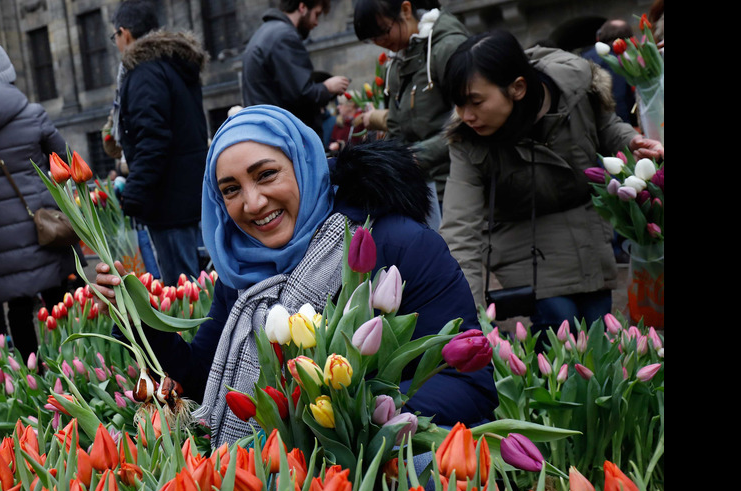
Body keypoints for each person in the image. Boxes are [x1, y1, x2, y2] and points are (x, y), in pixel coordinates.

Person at [96, 105, 497, 446]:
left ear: (304, 164)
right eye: (231, 189)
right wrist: (140, 320)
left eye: (266, 174)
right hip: (277, 480)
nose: (252, 203)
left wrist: (349, 414)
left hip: (385, 470)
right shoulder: (241, 272)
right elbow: (208, 383)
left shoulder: (394, 244)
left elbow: (469, 385)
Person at [439, 30, 664, 336]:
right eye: (459, 105)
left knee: (597, 330)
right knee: (562, 325)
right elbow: (459, 228)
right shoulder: (468, 140)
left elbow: (604, 126)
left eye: (475, 102)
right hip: (520, 240)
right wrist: (468, 317)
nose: (465, 115)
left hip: (586, 226)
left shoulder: (575, 87)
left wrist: (632, 141)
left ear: (517, 87)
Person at [0, 41, 70, 359]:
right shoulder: (32, 113)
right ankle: (70, 367)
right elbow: (63, 158)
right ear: (7, 72)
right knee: (57, 299)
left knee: (17, 305)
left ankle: (31, 375)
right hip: (41, 220)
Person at [110, 0, 208, 282]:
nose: (116, 43)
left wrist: (135, 194)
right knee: (194, 284)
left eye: (115, 36)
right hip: (185, 194)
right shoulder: (171, 63)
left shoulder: (145, 71)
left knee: (182, 291)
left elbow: (153, 139)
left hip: (168, 201)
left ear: (124, 32)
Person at [353, 0, 469, 230]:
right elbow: (397, 126)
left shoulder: (447, 47)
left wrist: (418, 155)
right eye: (372, 39)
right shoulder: (396, 62)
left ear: (405, 10)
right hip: (421, 187)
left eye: (383, 32)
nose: (380, 43)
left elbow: (470, 121)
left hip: (455, 181)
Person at [242, 0, 350, 136]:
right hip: (285, 136)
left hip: (269, 131)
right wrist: (327, 87)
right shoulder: (284, 36)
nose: (316, 23)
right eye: (316, 14)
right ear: (302, 7)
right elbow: (302, 94)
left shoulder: (264, 33)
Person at [582, 19, 636, 125]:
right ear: (627, 39)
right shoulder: (614, 60)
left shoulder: (586, 56)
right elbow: (618, 98)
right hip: (613, 125)